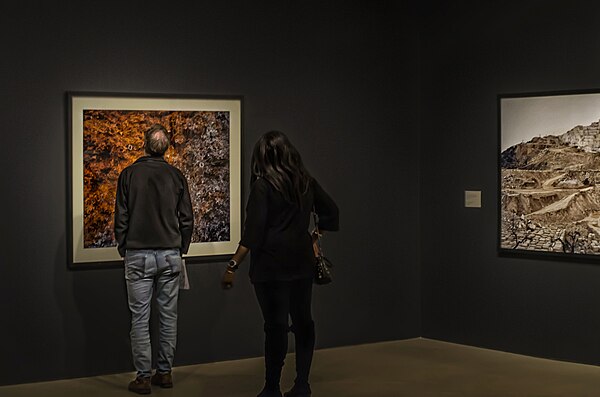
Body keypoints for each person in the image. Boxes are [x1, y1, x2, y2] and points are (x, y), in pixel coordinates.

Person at [222, 130, 339, 397]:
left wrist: (232, 266)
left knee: (275, 327)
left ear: (262, 157)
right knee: (304, 322)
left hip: (271, 268)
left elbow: (252, 235)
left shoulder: (263, 187)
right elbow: (331, 212)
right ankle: (302, 384)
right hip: (301, 264)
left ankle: (272, 387)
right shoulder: (305, 182)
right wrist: (315, 236)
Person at [114, 124, 194, 395]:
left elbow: (121, 216)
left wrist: (124, 246)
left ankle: (143, 378)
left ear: (144, 144)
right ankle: (166, 373)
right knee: (168, 316)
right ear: (166, 148)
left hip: (137, 255)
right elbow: (187, 218)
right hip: (171, 255)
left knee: (140, 319)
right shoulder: (176, 176)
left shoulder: (128, 175)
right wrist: (180, 247)